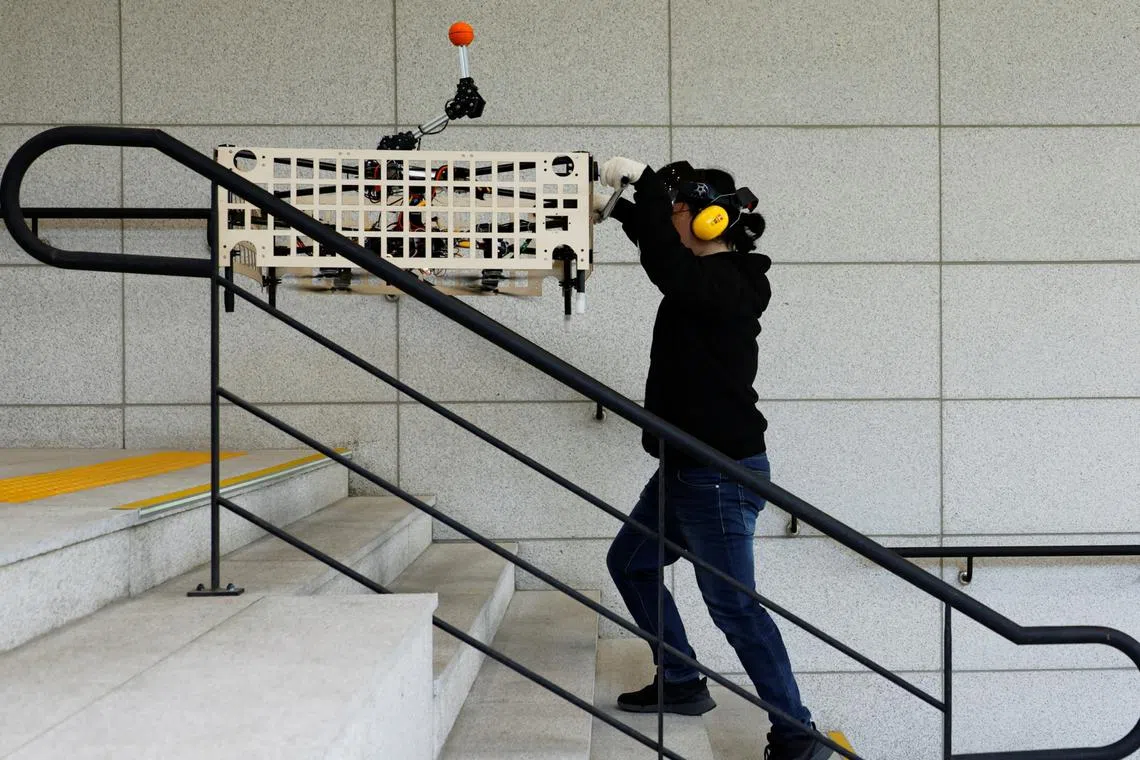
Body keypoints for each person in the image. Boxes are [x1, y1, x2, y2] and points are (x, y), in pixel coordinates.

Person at [594, 156, 833, 760]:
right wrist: (624, 209)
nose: (671, 219)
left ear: (709, 220)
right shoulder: (709, 277)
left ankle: (796, 731)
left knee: (733, 606)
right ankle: (679, 678)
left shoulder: (727, 282)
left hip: (718, 475)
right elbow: (663, 251)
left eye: (678, 208)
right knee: (632, 562)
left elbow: (667, 266)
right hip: (686, 468)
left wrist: (645, 181)